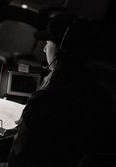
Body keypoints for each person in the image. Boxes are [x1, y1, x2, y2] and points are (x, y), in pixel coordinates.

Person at [8, 13, 116, 167]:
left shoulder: (44, 101)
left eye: (48, 42)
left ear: (60, 51)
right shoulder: (103, 98)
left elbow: (16, 159)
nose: (45, 49)